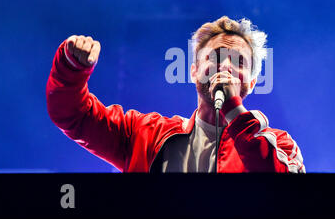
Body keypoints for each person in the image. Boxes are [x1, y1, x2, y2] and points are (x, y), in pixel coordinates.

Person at [46, 16, 305, 173]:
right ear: (193, 71)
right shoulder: (144, 134)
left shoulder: (279, 145)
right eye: (215, 57)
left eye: (238, 61)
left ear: (250, 82)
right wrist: (71, 66)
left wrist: (234, 112)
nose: (225, 66)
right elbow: (75, 117)